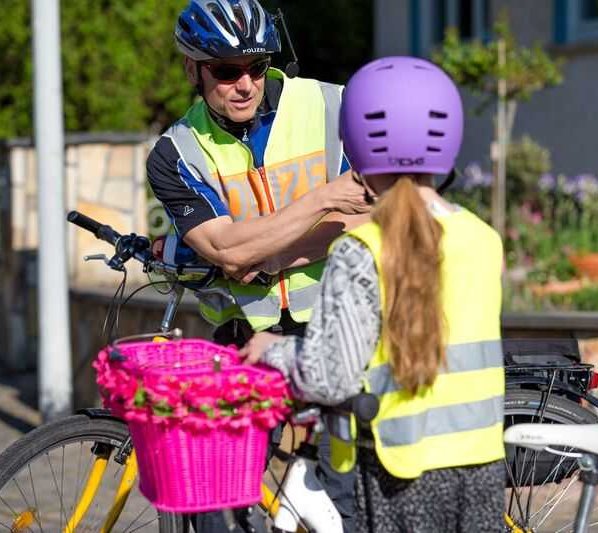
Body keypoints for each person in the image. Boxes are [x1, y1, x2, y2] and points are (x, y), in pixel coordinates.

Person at [240, 56, 506, 533]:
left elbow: (329, 377)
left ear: (357, 145)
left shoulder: (360, 251)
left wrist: (273, 351)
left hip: (396, 472)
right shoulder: (483, 240)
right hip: (481, 469)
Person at [147, 1, 368, 531]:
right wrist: (324, 201)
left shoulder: (334, 107)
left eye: (256, 66)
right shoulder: (176, 153)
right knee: (214, 492)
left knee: (343, 498)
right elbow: (226, 251)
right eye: (225, 71)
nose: (245, 84)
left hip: (342, 324)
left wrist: (270, 252)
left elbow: (380, 217)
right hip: (249, 333)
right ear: (192, 69)